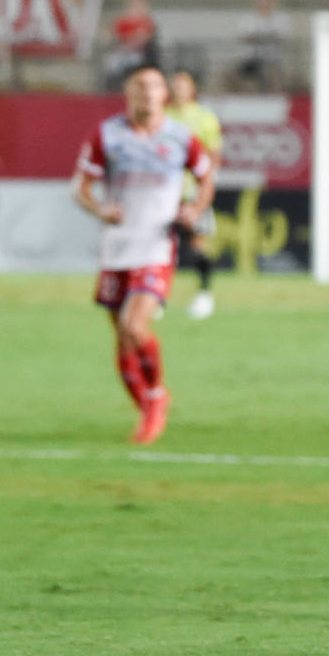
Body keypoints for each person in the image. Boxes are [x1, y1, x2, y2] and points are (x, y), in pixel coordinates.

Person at [72, 65, 215, 445]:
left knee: (135, 327)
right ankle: (147, 405)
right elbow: (81, 188)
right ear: (128, 94)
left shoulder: (181, 137)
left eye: (154, 87)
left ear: (164, 95)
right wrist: (101, 210)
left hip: (156, 247)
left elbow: (206, 179)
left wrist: (195, 210)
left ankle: (155, 399)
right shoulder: (108, 135)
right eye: (140, 87)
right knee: (121, 339)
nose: (147, 93)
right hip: (117, 248)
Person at [165, 69, 224, 320]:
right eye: (174, 85)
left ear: (192, 89)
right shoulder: (162, 117)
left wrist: (204, 190)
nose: (178, 89)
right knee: (159, 245)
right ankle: (155, 297)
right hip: (164, 193)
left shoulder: (205, 118)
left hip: (192, 192)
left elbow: (214, 157)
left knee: (197, 243)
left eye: (183, 84)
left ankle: (204, 294)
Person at [232, 0, 291, 92]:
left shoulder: (281, 19)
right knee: (238, 76)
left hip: (273, 59)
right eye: (261, 3)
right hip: (252, 59)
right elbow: (245, 36)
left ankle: (275, 95)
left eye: (267, 2)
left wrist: (260, 37)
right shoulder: (248, 19)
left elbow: (281, 35)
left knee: (275, 77)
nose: (264, 5)